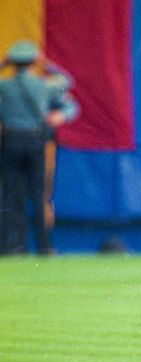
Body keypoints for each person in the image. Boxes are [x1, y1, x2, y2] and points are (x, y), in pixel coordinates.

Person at [0, 40, 77, 255]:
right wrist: (45, 64)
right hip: (35, 142)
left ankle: (11, 245)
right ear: (33, 62)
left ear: (13, 62)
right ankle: (44, 246)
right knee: (38, 194)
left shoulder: (5, 86)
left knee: (10, 195)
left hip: (11, 142)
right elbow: (67, 81)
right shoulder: (43, 85)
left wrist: (3, 64)